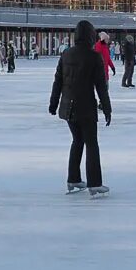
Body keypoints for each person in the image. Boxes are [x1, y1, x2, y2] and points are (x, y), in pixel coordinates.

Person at [49, 20, 112, 197]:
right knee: (91, 143)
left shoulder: (66, 54)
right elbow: (101, 87)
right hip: (86, 107)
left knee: (77, 140)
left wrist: (53, 104)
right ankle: (95, 183)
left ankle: (74, 179)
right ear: (91, 35)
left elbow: (58, 81)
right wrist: (107, 109)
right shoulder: (93, 57)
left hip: (68, 107)